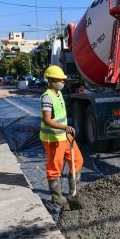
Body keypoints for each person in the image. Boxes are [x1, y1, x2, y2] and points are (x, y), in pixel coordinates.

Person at [40, 65, 83, 208]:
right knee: (54, 168)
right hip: (53, 140)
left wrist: (66, 130)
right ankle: (57, 199)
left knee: (77, 160)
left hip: (65, 137)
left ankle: (74, 194)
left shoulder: (58, 94)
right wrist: (65, 127)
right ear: (51, 80)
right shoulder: (47, 97)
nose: (62, 82)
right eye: (60, 80)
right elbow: (47, 120)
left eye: (63, 80)